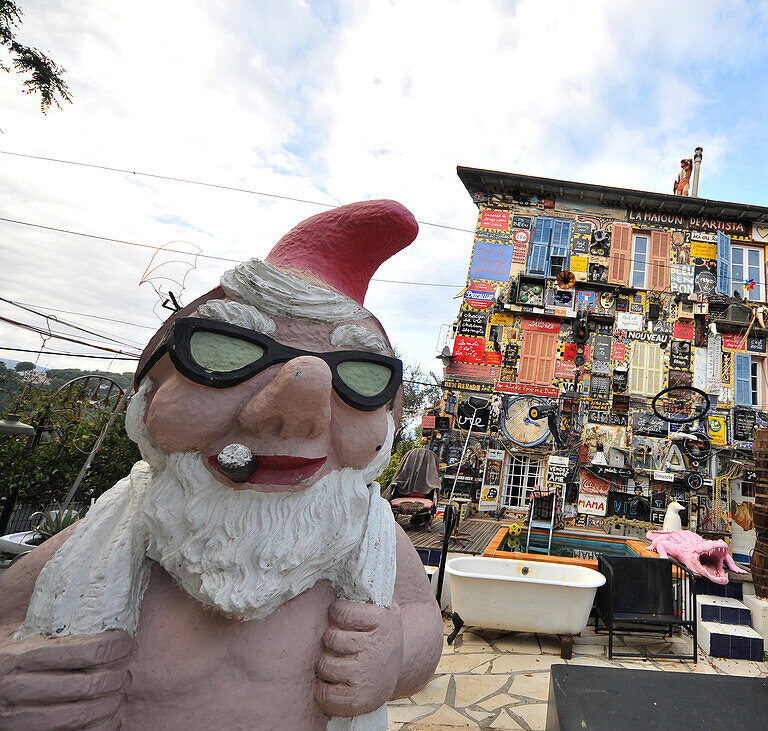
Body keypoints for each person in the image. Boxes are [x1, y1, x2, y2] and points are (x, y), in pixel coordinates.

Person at [0, 200, 443, 729]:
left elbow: (421, 618)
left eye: (360, 377)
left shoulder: (364, 529)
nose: (296, 413)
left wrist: (395, 656)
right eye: (228, 353)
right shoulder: (124, 527)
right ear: (149, 396)